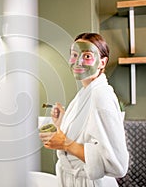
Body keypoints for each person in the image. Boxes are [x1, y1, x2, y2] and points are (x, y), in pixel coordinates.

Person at [39, 33, 129, 187]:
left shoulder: (101, 96)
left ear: (102, 62)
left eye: (87, 56)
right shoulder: (85, 92)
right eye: (74, 55)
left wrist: (65, 143)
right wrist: (62, 121)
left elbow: (118, 165)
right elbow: (86, 136)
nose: (78, 62)